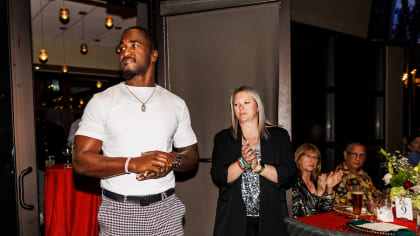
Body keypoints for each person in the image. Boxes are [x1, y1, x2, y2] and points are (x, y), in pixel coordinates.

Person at [73, 26, 199, 236]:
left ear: (153, 55)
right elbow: (81, 160)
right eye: (121, 48)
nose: (125, 52)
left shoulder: (176, 103)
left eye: (133, 45)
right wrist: (132, 164)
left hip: (166, 210)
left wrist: (171, 160)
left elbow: (192, 156)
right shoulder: (102, 101)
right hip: (120, 211)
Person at [211, 86, 297, 236]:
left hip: (272, 219)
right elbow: (219, 176)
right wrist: (242, 163)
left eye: (246, 102)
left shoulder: (279, 136)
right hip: (233, 220)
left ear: (258, 107)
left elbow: (289, 174)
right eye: (236, 105)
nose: (241, 108)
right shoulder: (223, 138)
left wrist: (259, 167)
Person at [291, 143, 343, 218]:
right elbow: (304, 215)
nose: (312, 160)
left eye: (315, 157)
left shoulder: (317, 181)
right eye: (308, 156)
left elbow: (327, 210)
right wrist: (319, 192)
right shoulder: (293, 182)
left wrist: (329, 188)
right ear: (299, 159)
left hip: (319, 225)